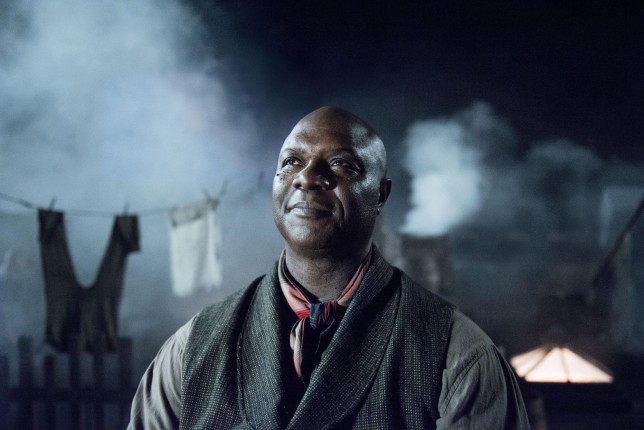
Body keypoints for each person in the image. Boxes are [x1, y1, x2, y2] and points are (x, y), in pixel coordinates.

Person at [128, 107, 530, 429]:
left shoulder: (455, 353)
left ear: (381, 194)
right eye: (291, 162)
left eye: (341, 165)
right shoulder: (193, 348)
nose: (306, 178)